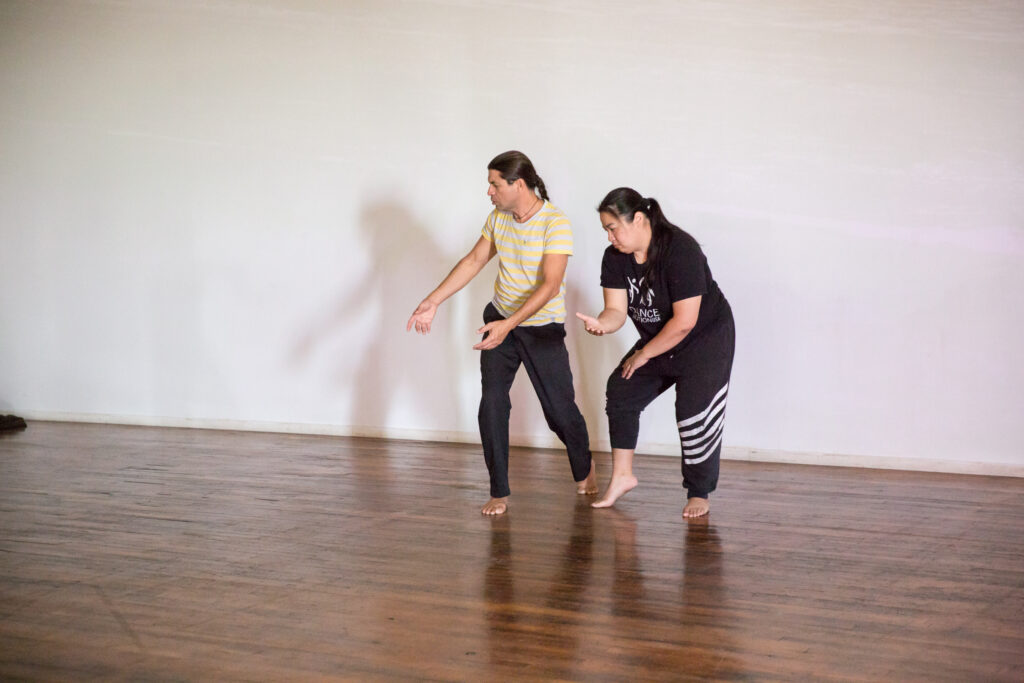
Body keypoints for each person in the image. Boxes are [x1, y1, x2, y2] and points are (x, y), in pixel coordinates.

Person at [407, 151, 596, 515]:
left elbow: (551, 284)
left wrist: (508, 326)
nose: (489, 192)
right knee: (492, 404)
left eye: (494, 184)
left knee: (559, 411)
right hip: (500, 320)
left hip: (541, 329)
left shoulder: (555, 223)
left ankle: (585, 468)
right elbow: (474, 261)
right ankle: (499, 491)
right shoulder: (499, 218)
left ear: (518, 184)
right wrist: (432, 301)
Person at [576, 188, 735, 518]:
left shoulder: (681, 250)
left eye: (612, 227)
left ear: (637, 219)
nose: (609, 236)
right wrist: (603, 324)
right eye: (605, 229)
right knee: (621, 388)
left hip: (705, 339)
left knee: (693, 413)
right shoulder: (615, 257)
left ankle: (698, 492)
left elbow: (685, 321)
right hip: (661, 338)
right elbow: (616, 311)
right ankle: (622, 475)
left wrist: (644, 353)